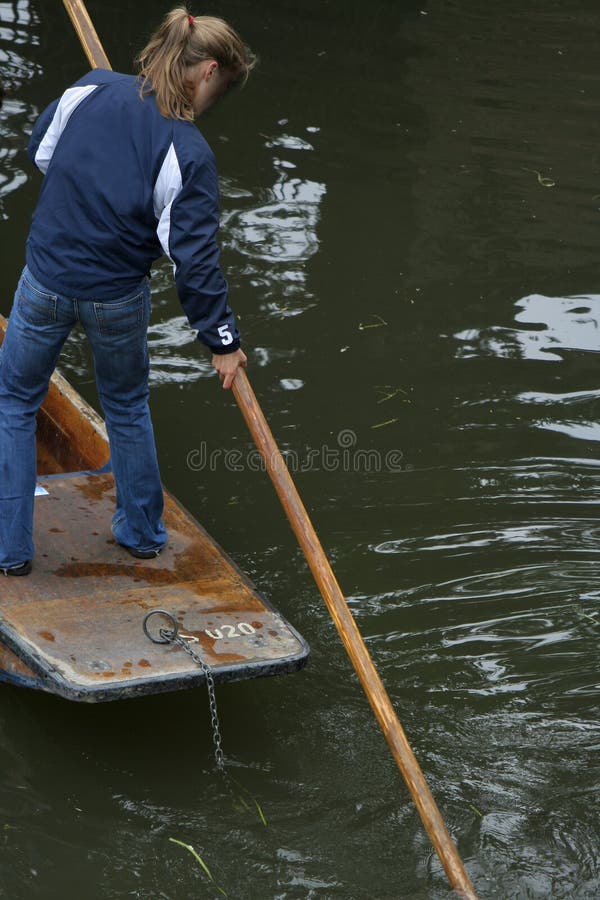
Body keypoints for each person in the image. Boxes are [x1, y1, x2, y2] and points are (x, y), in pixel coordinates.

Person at [0, 8, 255, 575]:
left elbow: (41, 153)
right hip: (116, 296)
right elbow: (194, 263)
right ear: (208, 71)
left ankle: (9, 552)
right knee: (126, 406)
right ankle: (141, 534)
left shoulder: (89, 89)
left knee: (15, 402)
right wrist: (222, 341)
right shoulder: (188, 154)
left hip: (45, 279)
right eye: (222, 89)